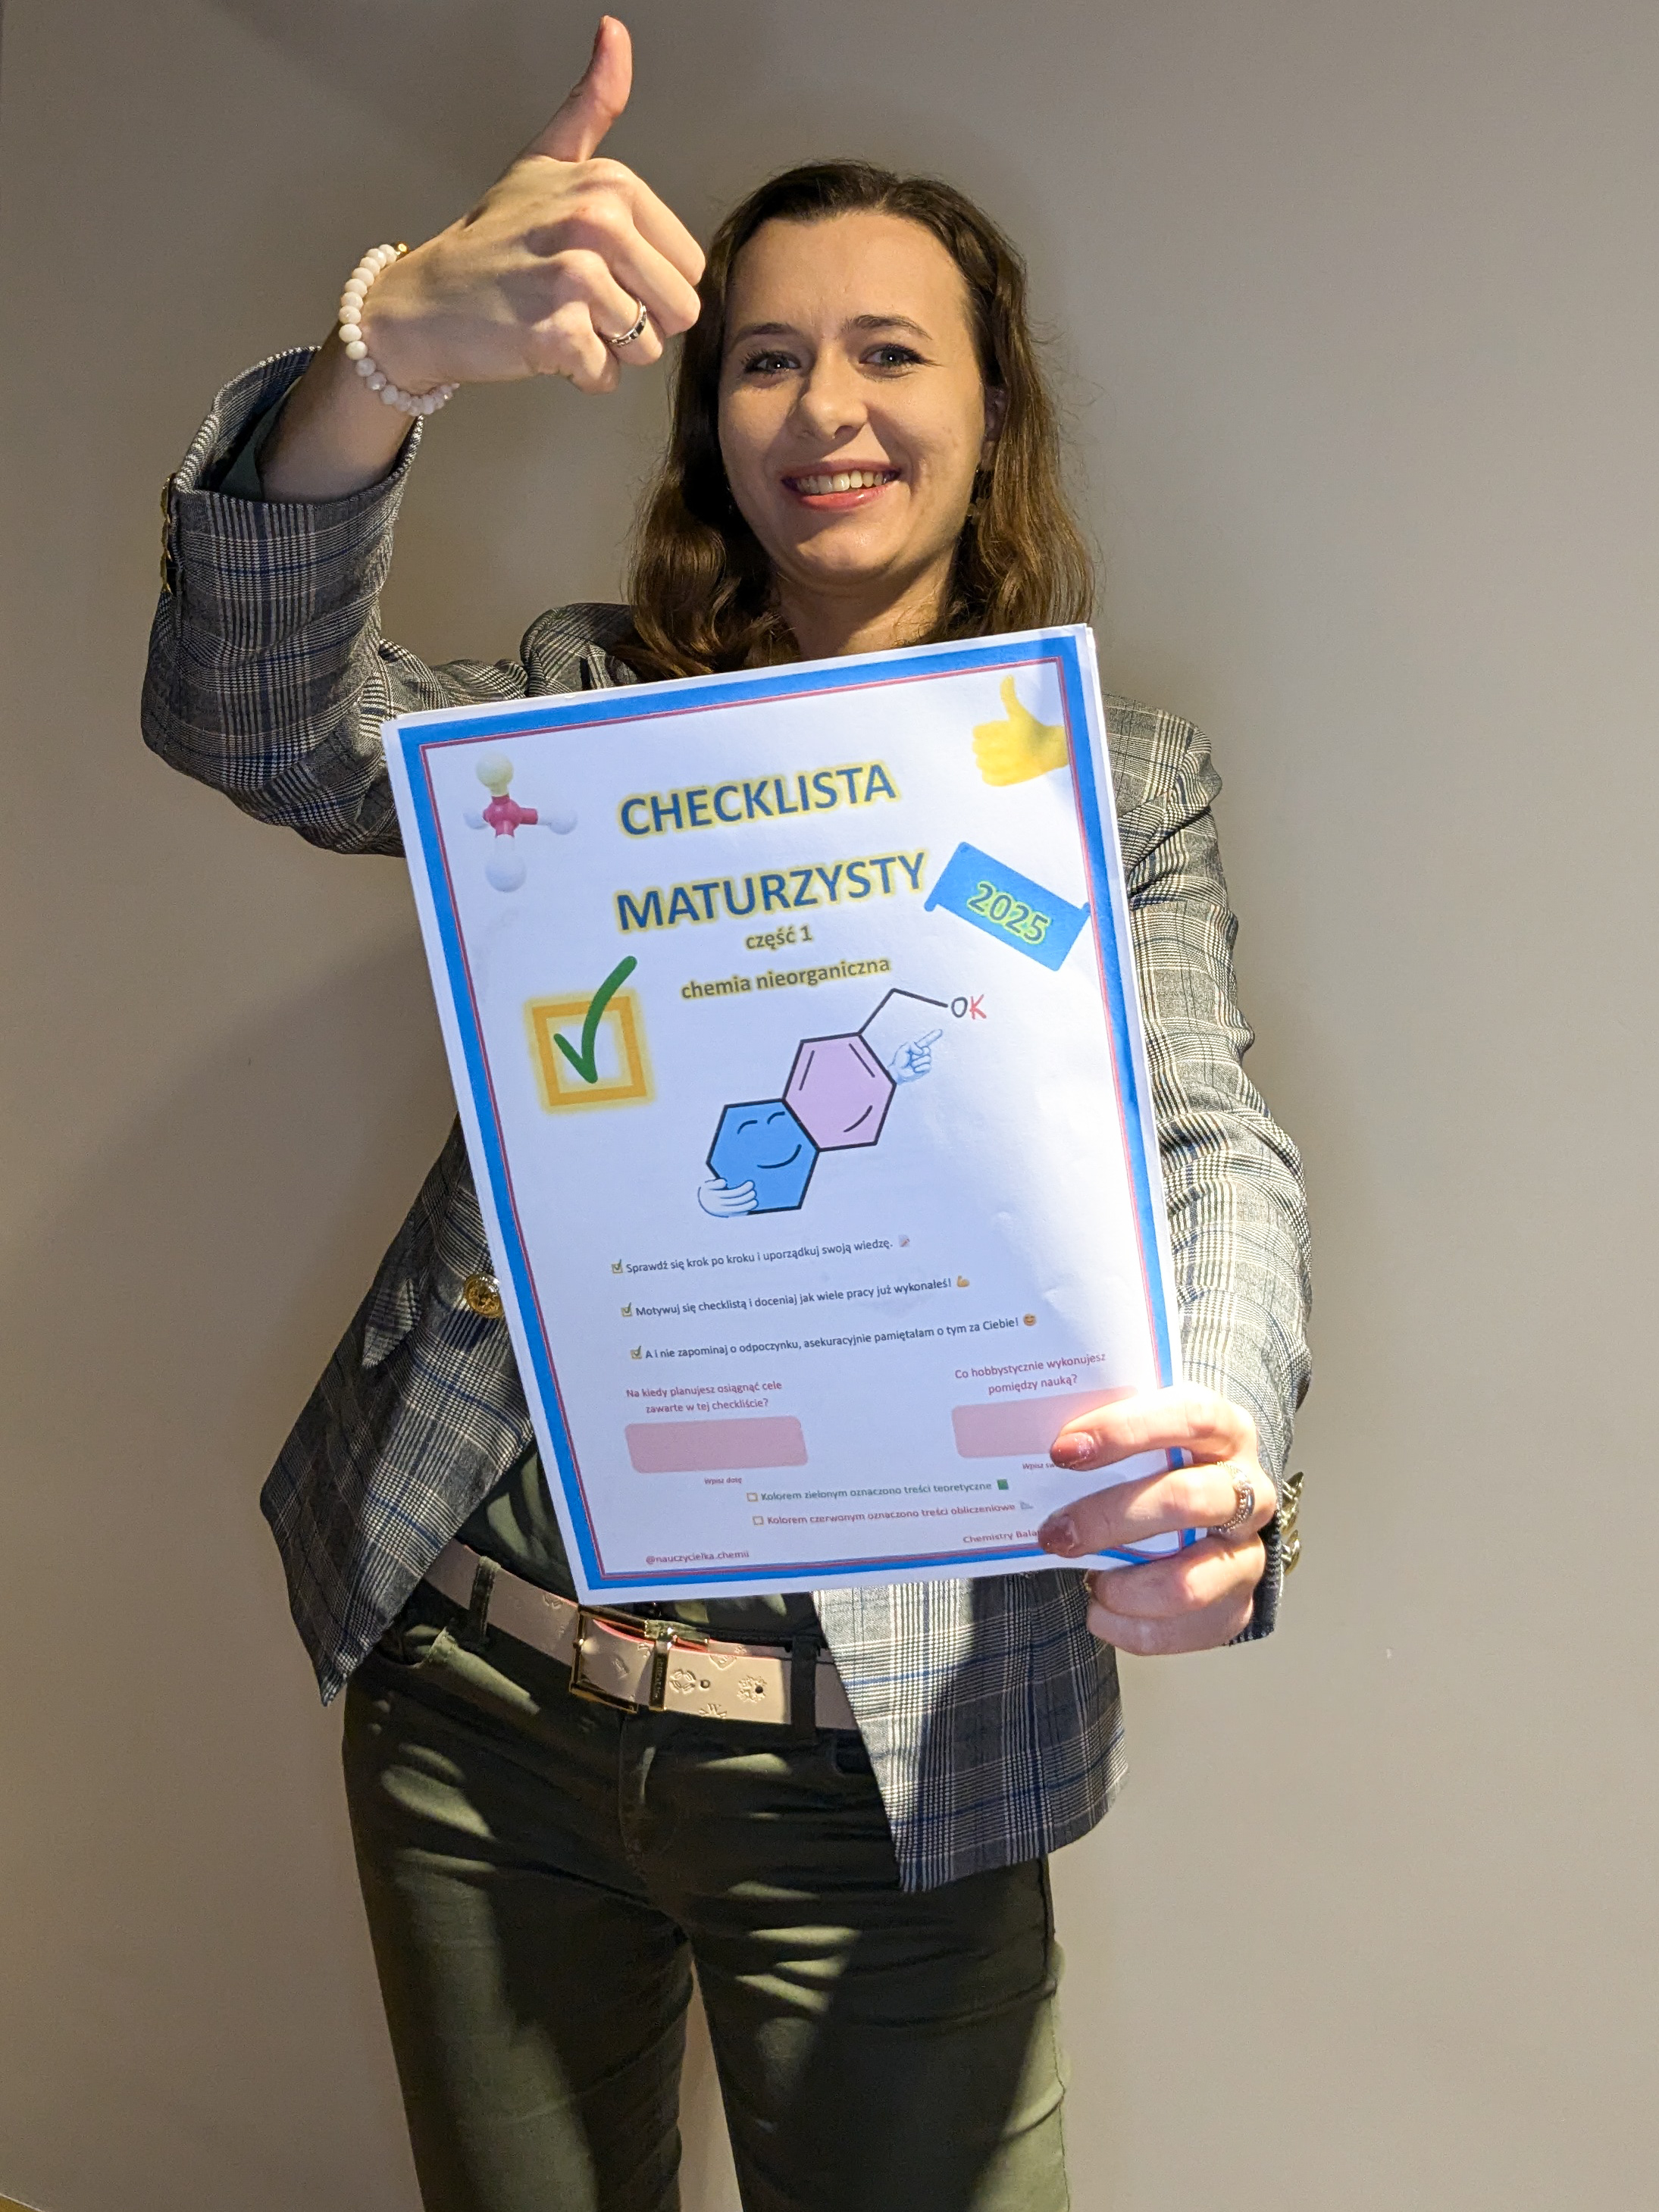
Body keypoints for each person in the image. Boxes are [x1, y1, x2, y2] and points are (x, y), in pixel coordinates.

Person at [142, 19, 1310, 2210]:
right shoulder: (597, 710)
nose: (826, 406)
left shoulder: (1102, 784)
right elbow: (256, 726)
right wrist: (385, 352)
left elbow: (1207, 1142)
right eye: (766, 359)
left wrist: (1217, 1435)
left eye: (891, 352)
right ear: (709, 424)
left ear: (993, 410)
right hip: (483, 1694)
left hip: (886, 1745)